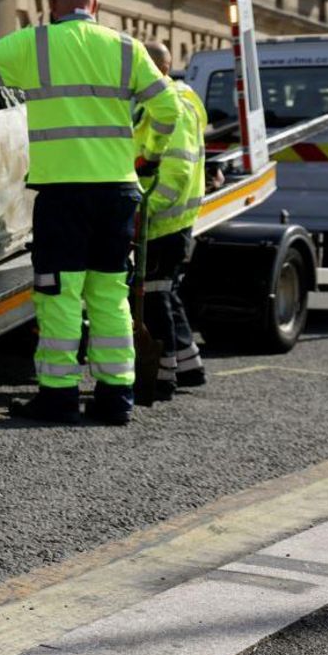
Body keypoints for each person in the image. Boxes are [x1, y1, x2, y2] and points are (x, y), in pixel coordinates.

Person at [0, 0, 180, 425]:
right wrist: (147, 153)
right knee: (109, 293)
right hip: (117, 191)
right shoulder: (126, 48)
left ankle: (59, 398)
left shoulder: (34, 44)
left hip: (64, 195)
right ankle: (116, 398)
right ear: (95, 6)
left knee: (59, 294)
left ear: (53, 6)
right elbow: (168, 108)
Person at [138, 43, 207, 398]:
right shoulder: (182, 99)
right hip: (175, 218)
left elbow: (176, 169)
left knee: (156, 296)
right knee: (165, 292)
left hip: (163, 219)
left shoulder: (170, 106)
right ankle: (189, 365)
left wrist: (144, 210)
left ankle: (164, 375)